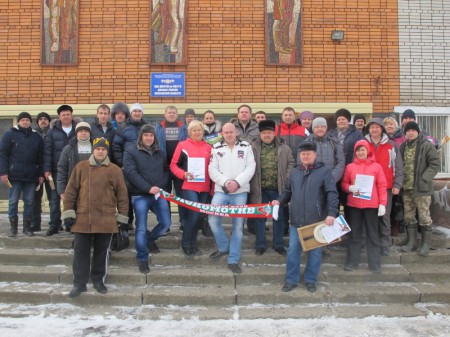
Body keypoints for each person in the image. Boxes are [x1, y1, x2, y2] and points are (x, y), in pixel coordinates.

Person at [62, 137, 128, 298]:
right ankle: (79, 283)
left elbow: (122, 196)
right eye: (98, 149)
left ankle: (98, 281)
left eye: (103, 149)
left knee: (102, 252)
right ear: (93, 150)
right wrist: (68, 212)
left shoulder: (115, 170)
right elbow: (70, 192)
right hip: (83, 217)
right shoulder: (81, 167)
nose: (100, 151)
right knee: (80, 251)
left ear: (107, 152)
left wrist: (122, 218)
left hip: (106, 218)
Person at [273, 141, 339, 293]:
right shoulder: (295, 172)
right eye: (303, 154)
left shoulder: (324, 171)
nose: (306, 156)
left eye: (309, 153)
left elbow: (332, 194)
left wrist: (331, 213)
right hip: (296, 220)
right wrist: (279, 200)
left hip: (316, 221)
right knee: (293, 251)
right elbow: (287, 192)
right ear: (299, 156)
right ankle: (291, 280)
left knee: (315, 253)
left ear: (315, 155)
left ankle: (310, 280)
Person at [208, 123, 256, 274]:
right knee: (212, 219)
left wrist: (237, 182)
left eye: (231, 132)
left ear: (236, 132)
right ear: (222, 133)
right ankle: (223, 247)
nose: (229, 134)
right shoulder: (216, 148)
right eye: (226, 132)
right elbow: (212, 169)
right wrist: (226, 182)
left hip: (240, 191)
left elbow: (251, 167)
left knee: (238, 226)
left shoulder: (246, 146)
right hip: (221, 191)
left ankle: (233, 258)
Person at [123, 125, 171, 273]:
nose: (149, 138)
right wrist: (148, 188)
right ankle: (142, 258)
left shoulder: (160, 152)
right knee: (141, 228)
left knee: (165, 222)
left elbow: (165, 171)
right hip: (140, 195)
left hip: (158, 194)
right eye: (146, 135)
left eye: (151, 135)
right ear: (141, 137)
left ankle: (150, 240)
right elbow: (131, 173)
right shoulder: (130, 151)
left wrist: (162, 187)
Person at [341, 140, 388, 273]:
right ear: (355, 152)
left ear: (368, 151)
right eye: (358, 150)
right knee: (354, 234)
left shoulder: (376, 167)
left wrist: (382, 203)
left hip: (371, 205)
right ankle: (352, 262)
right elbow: (344, 184)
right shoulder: (350, 167)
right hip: (354, 205)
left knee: (372, 235)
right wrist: (349, 187)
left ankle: (374, 264)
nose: (360, 152)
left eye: (363, 150)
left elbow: (382, 186)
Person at [249, 120, 295, 256]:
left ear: (274, 133)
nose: (267, 135)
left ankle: (278, 244)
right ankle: (260, 245)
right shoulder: (252, 147)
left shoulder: (284, 148)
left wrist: (286, 179)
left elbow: (291, 163)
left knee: (279, 217)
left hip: (278, 189)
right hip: (259, 189)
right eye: (264, 133)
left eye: (269, 133)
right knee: (260, 218)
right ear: (260, 134)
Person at [170, 120, 212, 257]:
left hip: (205, 187)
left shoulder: (209, 147)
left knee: (198, 216)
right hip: (189, 186)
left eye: (199, 130)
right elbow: (173, 165)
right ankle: (186, 244)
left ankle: (193, 244)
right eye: (194, 130)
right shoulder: (182, 145)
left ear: (203, 131)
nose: (197, 132)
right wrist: (183, 174)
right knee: (193, 215)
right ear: (189, 133)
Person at [0, 112, 44, 237]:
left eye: (27, 120)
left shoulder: (37, 137)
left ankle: (27, 227)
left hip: (31, 176)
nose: (25, 122)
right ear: (19, 121)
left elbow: (41, 158)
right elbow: (3, 154)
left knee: (29, 201)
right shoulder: (9, 134)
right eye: (23, 120)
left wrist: (40, 174)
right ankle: (13, 228)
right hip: (14, 175)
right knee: (13, 201)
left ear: (30, 122)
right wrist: (3, 172)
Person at [364, 118, 403, 256]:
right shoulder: (363, 144)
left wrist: (397, 184)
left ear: (382, 129)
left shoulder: (391, 145)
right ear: (368, 129)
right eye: (372, 127)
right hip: (367, 187)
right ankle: (370, 243)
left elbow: (398, 167)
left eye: (377, 127)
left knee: (384, 216)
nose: (374, 130)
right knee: (368, 216)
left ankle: (384, 244)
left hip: (386, 187)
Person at [400, 122, 440, 256]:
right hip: (406, 188)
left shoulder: (426, 145)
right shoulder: (402, 146)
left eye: (413, 130)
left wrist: (424, 178)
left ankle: (425, 245)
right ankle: (411, 243)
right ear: (405, 133)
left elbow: (434, 164)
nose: (410, 133)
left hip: (421, 188)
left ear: (418, 132)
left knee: (424, 217)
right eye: (408, 131)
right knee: (408, 217)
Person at [43, 104, 78, 236]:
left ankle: (70, 224)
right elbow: (47, 152)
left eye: (68, 114)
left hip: (75, 171)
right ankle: (54, 225)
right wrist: (47, 169)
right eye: (63, 115)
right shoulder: (52, 132)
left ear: (71, 115)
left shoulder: (78, 130)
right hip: (57, 171)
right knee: (54, 199)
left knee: (73, 199)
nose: (66, 117)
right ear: (59, 117)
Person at [155, 105, 188, 230]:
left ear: (177, 114)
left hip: (180, 168)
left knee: (182, 197)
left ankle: (184, 223)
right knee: (164, 198)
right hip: (163, 168)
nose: (171, 114)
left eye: (174, 112)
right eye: (169, 112)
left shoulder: (184, 129)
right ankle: (165, 225)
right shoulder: (158, 129)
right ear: (165, 114)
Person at [56, 122, 92, 231]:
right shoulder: (68, 149)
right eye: (81, 131)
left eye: (86, 131)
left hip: (93, 185)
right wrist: (61, 190)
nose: (83, 133)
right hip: (74, 185)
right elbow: (62, 169)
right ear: (77, 134)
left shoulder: (96, 147)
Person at [305, 117, 345, 184]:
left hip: (331, 182)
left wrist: (331, 179)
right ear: (313, 129)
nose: (320, 129)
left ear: (326, 128)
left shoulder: (334, 142)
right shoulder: (307, 143)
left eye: (322, 127)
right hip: (312, 183)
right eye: (317, 127)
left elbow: (341, 163)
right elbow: (302, 162)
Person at [31, 112, 52, 232]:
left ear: (49, 121)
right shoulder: (33, 134)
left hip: (50, 170)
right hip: (36, 171)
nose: (43, 121)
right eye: (41, 119)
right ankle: (35, 223)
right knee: (35, 199)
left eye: (45, 119)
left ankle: (55, 223)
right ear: (37, 121)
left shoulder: (53, 133)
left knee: (53, 199)